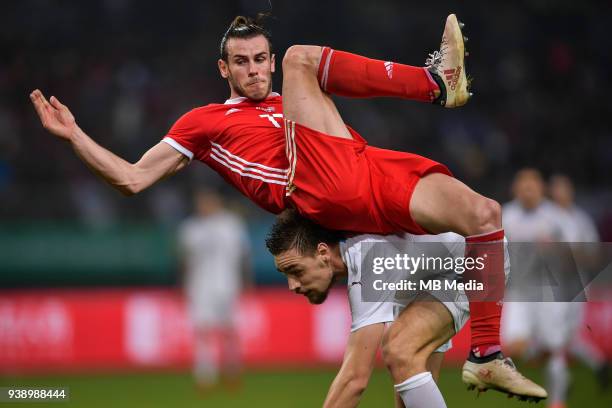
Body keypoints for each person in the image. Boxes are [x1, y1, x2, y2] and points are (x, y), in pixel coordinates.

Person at [29, 13, 539, 397]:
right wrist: (75, 137)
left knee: (485, 215)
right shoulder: (203, 122)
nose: (253, 71)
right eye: (241, 62)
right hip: (314, 183)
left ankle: (487, 352)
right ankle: (433, 83)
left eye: (259, 60)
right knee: (304, 56)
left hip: (361, 171)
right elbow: (132, 179)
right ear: (222, 67)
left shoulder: (291, 103)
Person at [265, 209, 545, 408]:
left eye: (295, 270)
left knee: (398, 349)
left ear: (324, 253)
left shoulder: (368, 261)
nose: (293, 286)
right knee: (406, 365)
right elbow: (419, 377)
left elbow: (354, 381)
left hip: (474, 263)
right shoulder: (379, 260)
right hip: (443, 269)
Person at [502, 168, 580, 408]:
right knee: (512, 347)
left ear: (541, 189)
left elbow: (576, 252)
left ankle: (557, 401)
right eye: (523, 186)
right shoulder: (506, 215)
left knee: (556, 349)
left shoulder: (556, 217)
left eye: (532, 186)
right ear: (515, 189)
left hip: (549, 293)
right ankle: (538, 349)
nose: (527, 191)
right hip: (518, 292)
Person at [177, 189, 251, 389]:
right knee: (203, 331)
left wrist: (246, 281)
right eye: (201, 202)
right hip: (200, 287)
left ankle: (232, 371)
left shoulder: (232, 225)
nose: (204, 206)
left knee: (230, 330)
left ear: (217, 202)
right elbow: (183, 260)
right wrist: (182, 285)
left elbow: (244, 256)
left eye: (207, 201)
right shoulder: (190, 228)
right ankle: (205, 376)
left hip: (227, 284)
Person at [549, 174, 610, 390]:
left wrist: (572, 254)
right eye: (556, 188)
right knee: (560, 334)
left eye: (563, 188)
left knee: (564, 333)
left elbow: (594, 254)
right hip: (551, 283)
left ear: (570, 191)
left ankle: (564, 380)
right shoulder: (547, 216)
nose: (559, 192)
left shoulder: (580, 219)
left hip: (577, 283)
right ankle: (597, 364)